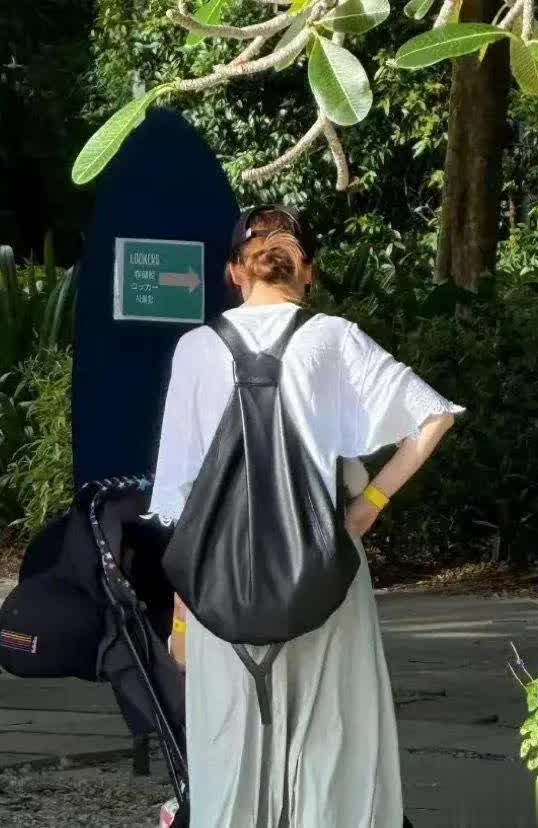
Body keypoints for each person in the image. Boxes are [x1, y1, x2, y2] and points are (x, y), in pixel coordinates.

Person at [149, 205, 464, 828]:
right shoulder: (334, 339)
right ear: (307, 272)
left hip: (221, 588)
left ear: (235, 272)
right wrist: (364, 511)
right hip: (325, 574)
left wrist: (182, 618)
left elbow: (181, 503)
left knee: (229, 749)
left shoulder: (196, 350)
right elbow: (435, 417)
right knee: (331, 747)